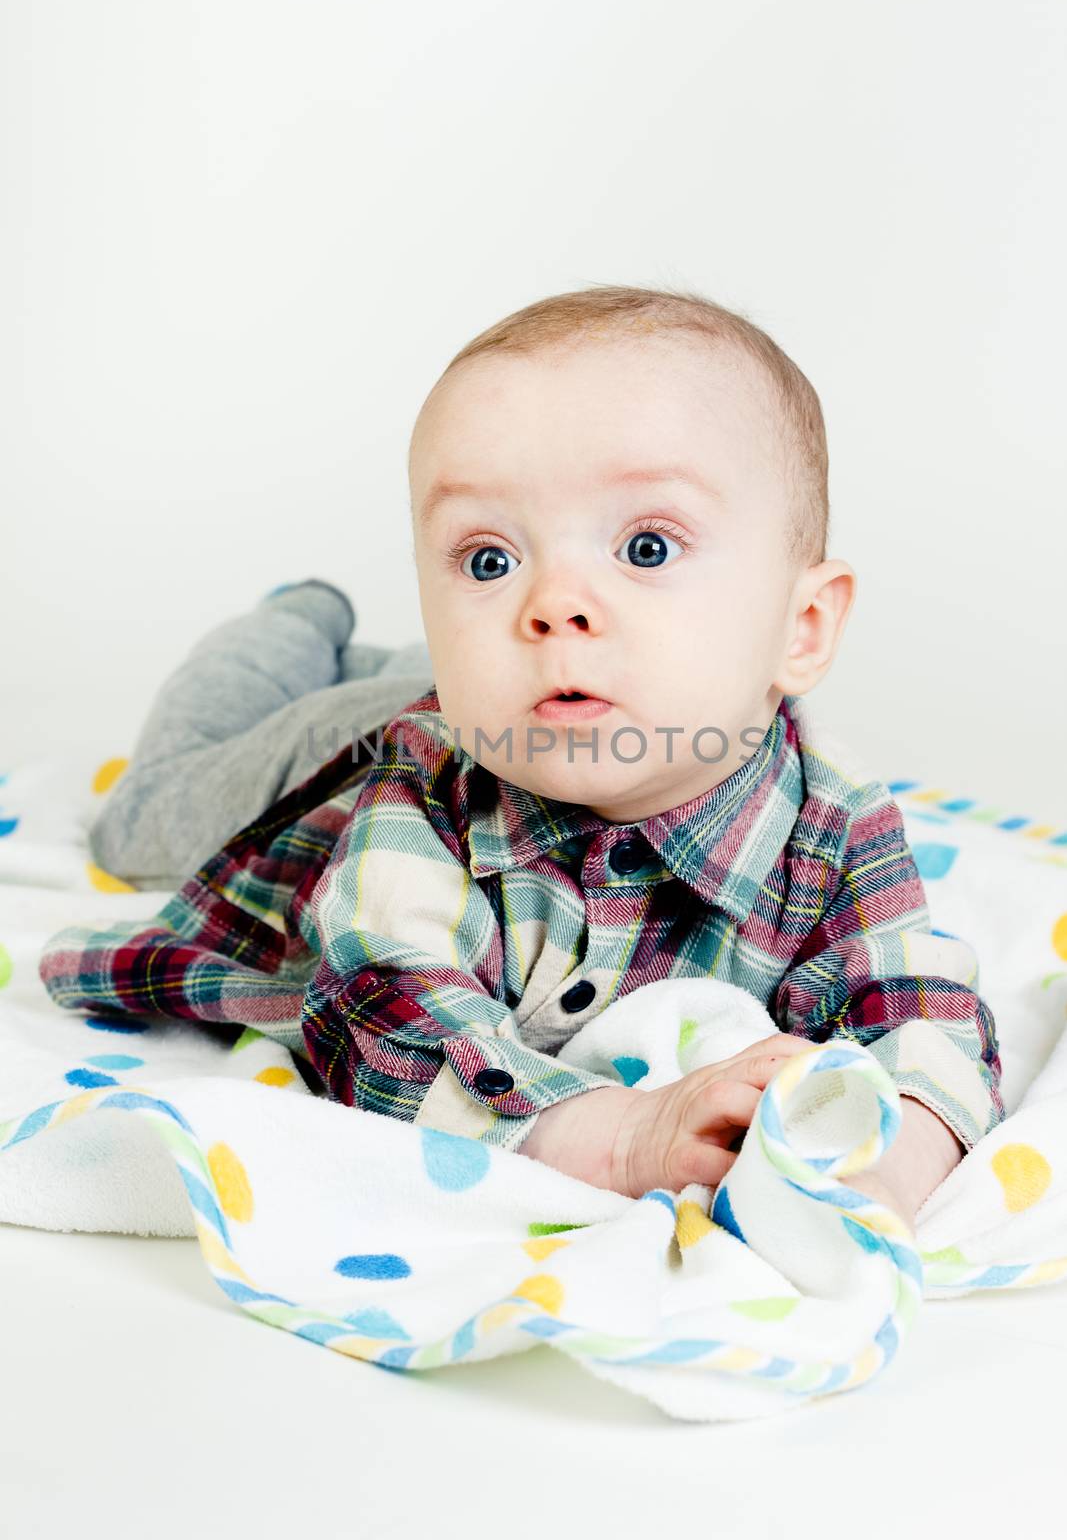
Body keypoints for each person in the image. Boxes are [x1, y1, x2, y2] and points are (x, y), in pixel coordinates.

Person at [38, 284, 1003, 1229]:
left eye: (648, 548)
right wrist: (613, 1137)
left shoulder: (830, 823)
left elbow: (923, 1013)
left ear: (799, 628)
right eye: (488, 561)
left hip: (533, 703)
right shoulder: (422, 787)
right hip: (338, 745)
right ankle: (300, 616)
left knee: (497, 672)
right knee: (141, 821)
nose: (552, 602)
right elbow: (381, 1000)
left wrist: (885, 1168)